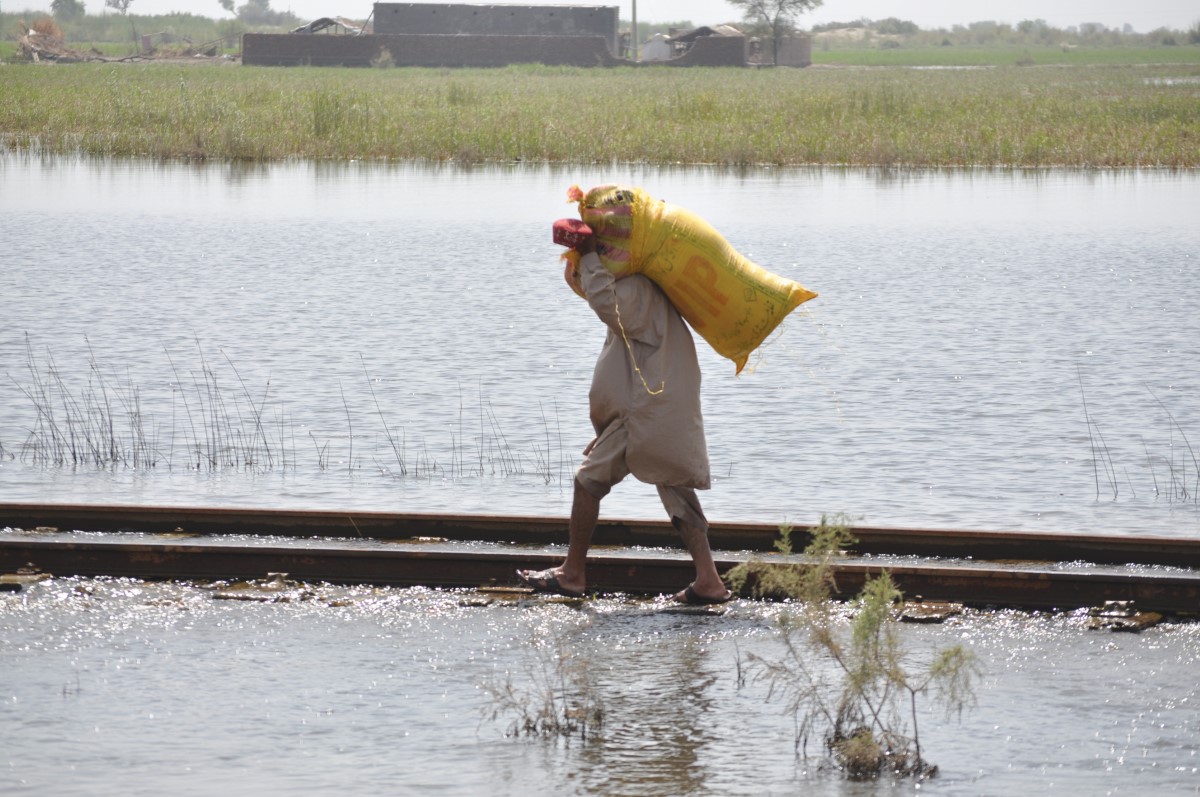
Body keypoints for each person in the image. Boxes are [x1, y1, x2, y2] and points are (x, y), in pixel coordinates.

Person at [517, 234, 732, 604]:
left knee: (588, 482)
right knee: (677, 490)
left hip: (644, 413)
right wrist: (606, 429)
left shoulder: (633, 290)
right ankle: (709, 581)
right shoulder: (645, 292)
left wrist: (587, 256)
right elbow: (627, 368)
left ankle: (572, 574)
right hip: (652, 411)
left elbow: (606, 305)